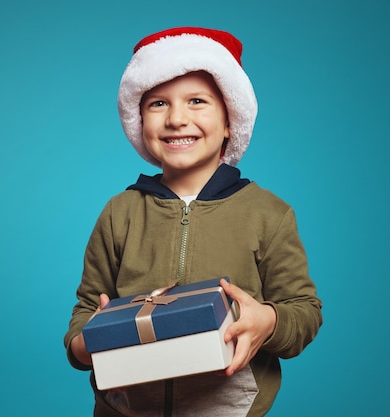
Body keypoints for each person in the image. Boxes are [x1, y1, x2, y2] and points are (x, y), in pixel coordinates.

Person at [64, 26, 322, 417]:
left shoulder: (268, 214)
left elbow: (303, 310)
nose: (176, 118)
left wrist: (268, 320)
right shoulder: (120, 212)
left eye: (197, 101)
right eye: (158, 104)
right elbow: (85, 311)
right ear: (139, 120)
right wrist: (86, 345)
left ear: (230, 121)